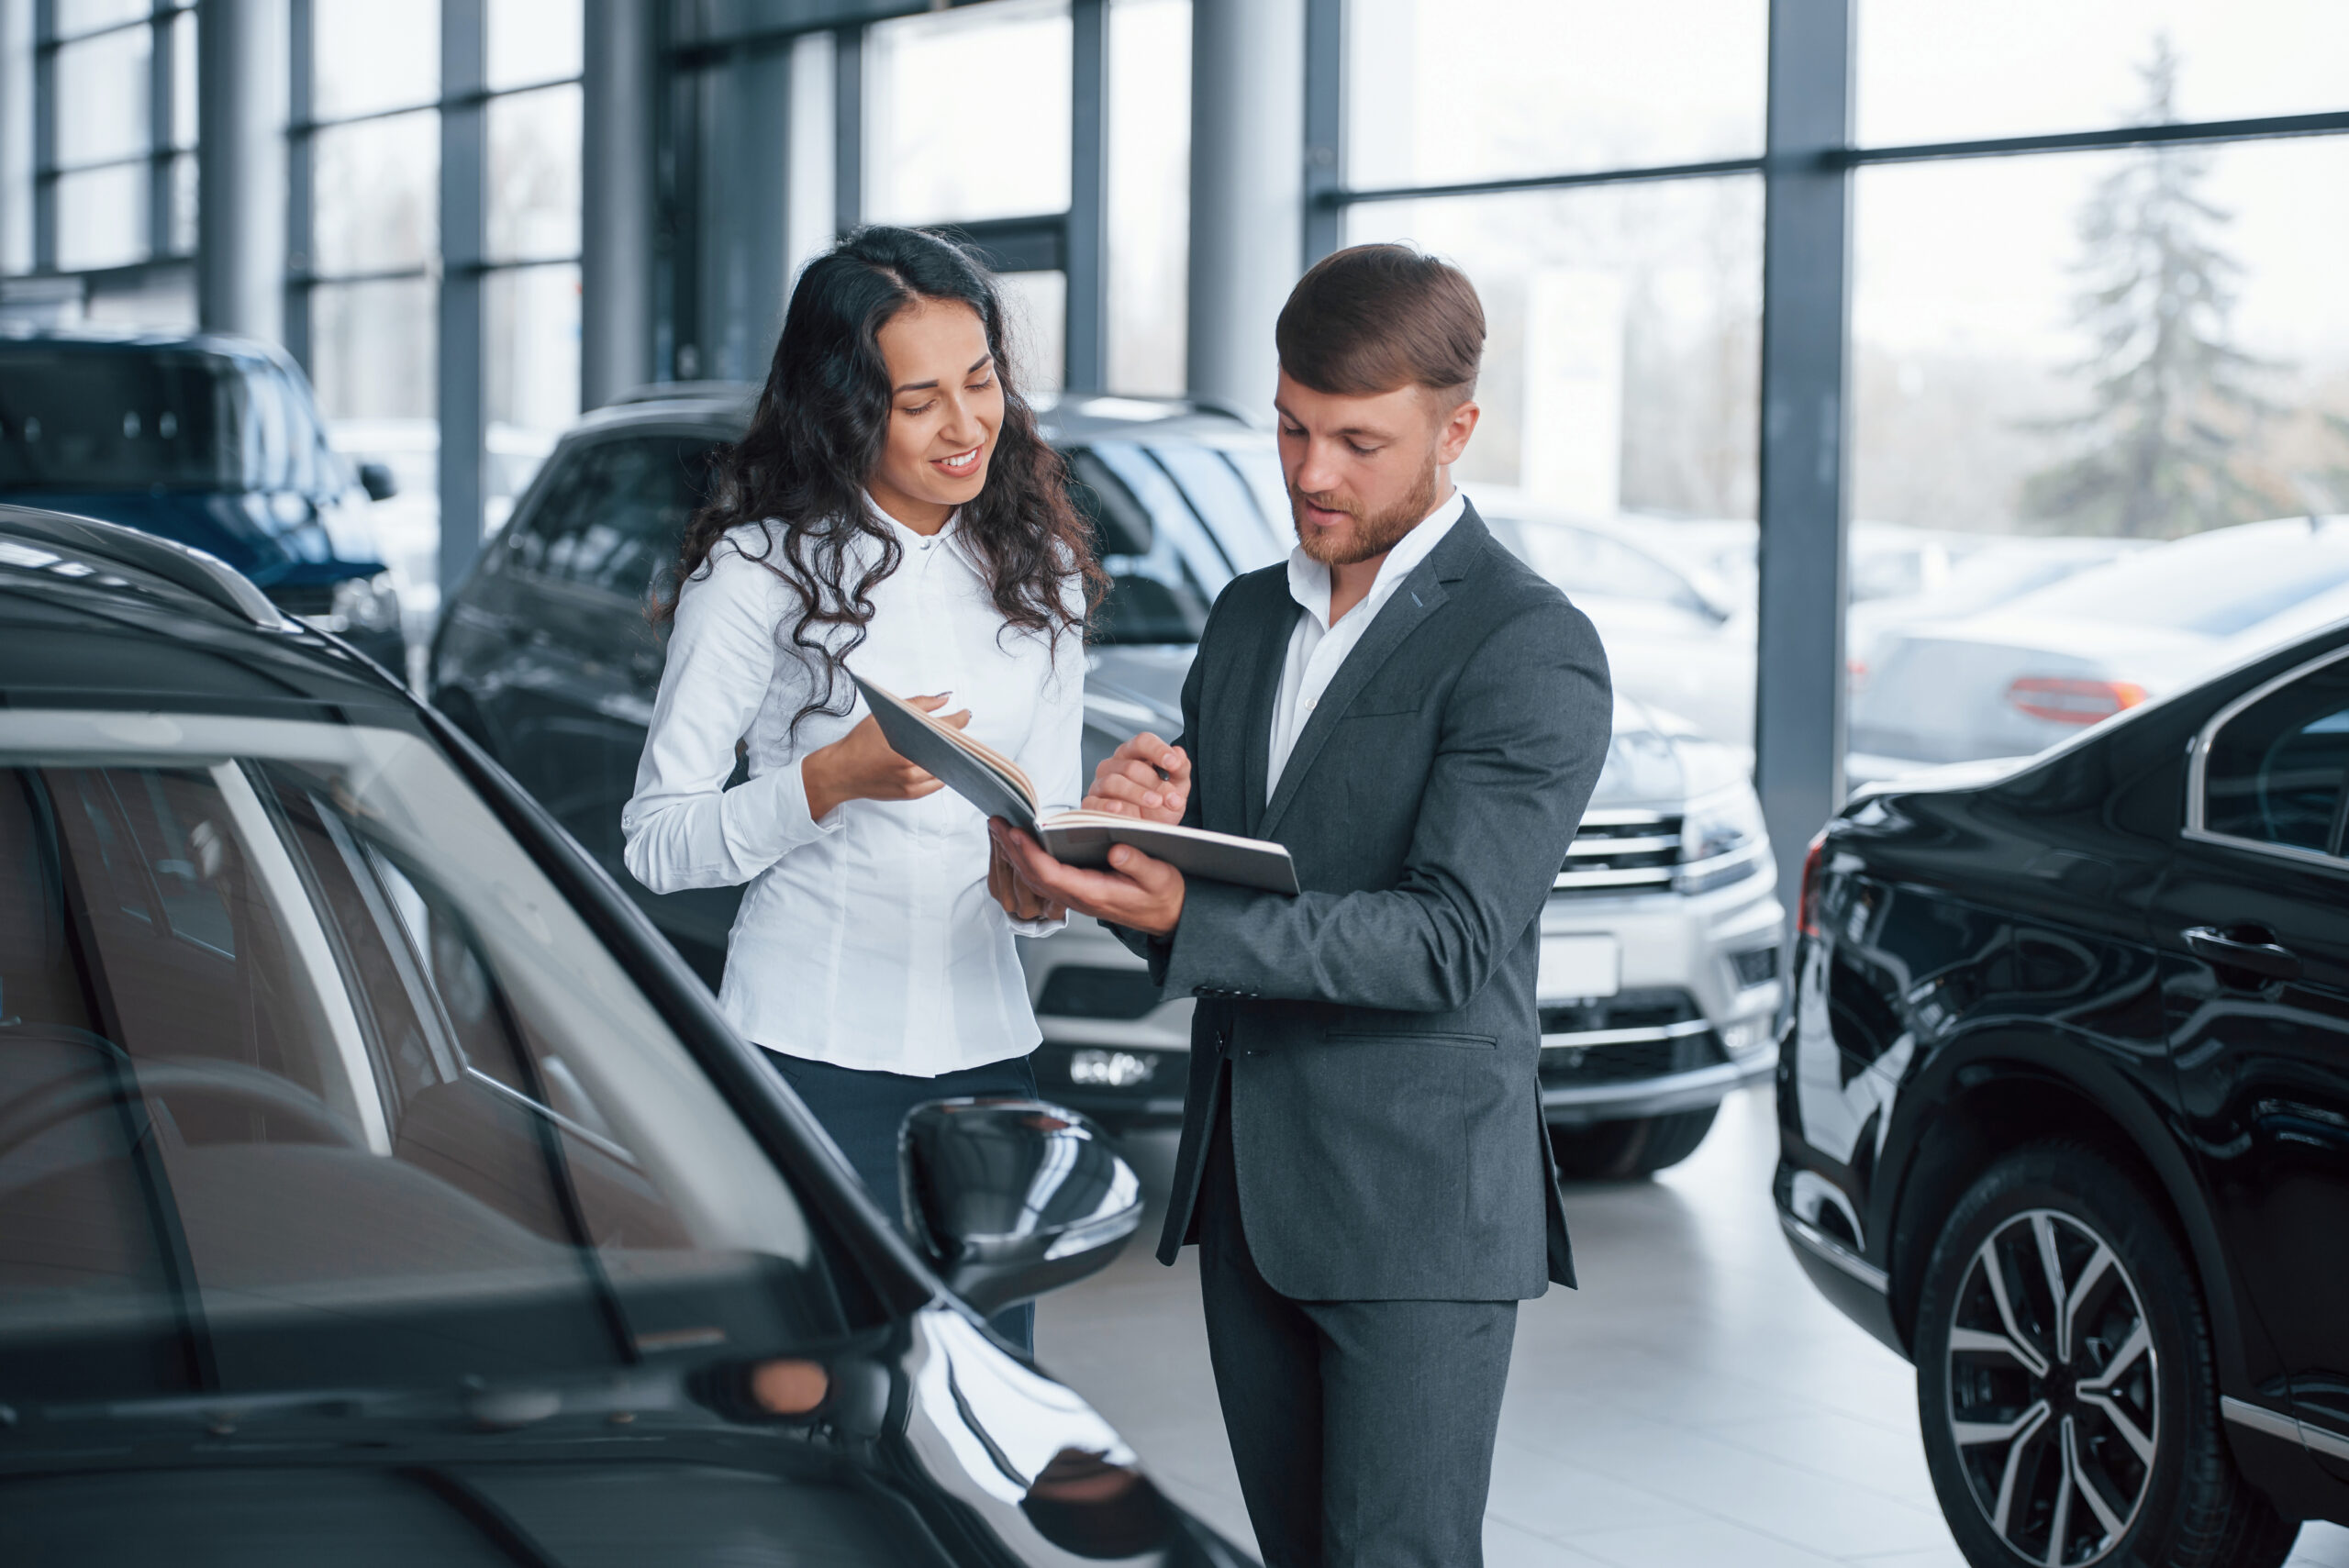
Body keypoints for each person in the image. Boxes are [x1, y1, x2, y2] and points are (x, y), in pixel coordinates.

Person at [996, 243, 1612, 1564]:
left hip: (1418, 1216)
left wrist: (1181, 920)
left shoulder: (1525, 644)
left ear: (1458, 431)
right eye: (1289, 427)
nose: (1311, 473)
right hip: (1252, 1197)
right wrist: (1114, 850)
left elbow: (1449, 939)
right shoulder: (1244, 622)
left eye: (1357, 441)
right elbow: (1206, 895)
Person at [623, 226, 1098, 1351]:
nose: (965, 424)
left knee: (987, 1389)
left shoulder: (1046, 575)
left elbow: (1049, 834)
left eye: (979, 382)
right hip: (808, 1050)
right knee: (833, 1387)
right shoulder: (755, 574)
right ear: (846, 409)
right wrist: (823, 783)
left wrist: (1055, 878)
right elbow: (655, 842)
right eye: (919, 398)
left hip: (988, 1059)